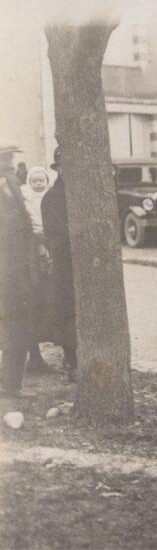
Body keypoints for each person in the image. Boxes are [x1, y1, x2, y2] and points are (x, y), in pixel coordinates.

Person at [0, 169, 38, 398]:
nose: (11, 165)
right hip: (6, 271)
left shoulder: (13, 185)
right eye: (5, 159)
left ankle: (12, 382)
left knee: (19, 327)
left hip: (19, 271)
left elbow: (25, 224)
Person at [39, 146, 76, 379]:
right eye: (63, 166)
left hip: (84, 264)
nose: (67, 170)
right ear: (58, 168)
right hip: (65, 263)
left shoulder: (83, 194)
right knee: (66, 310)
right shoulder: (51, 198)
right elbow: (52, 233)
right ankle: (71, 359)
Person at [20, 166, 53, 373]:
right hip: (34, 251)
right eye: (35, 181)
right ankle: (34, 355)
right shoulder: (28, 201)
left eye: (42, 180)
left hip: (49, 249)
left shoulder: (49, 198)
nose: (39, 184)